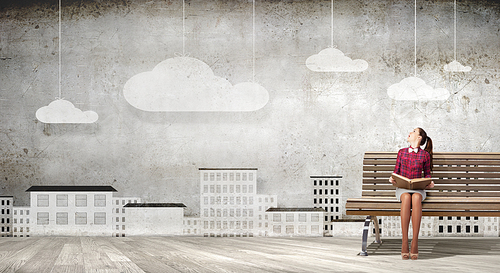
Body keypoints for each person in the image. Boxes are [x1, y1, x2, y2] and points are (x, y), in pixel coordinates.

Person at [389, 128, 435, 260]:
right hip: (403, 188)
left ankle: (415, 241)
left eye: (414, 131)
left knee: (415, 198)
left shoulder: (424, 155)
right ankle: (404, 241)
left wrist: (430, 183)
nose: (410, 132)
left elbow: (427, 175)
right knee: (406, 197)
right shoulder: (402, 152)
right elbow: (396, 172)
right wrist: (392, 179)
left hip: (418, 189)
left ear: (419, 138)